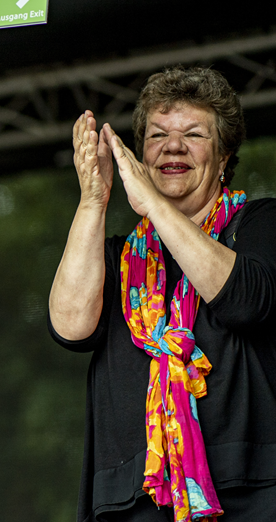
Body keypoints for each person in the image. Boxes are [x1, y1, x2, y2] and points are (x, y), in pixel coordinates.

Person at [49, 67, 276, 521]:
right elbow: (70, 326)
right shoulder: (116, 257)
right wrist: (94, 200)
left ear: (225, 154)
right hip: (133, 496)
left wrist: (153, 203)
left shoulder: (256, 225)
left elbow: (245, 299)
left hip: (246, 489)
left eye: (193, 134)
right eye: (157, 136)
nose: (173, 146)